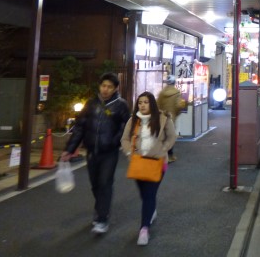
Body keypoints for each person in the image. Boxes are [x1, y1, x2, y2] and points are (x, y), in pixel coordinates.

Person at [60, 72, 130, 235]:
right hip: (92, 151)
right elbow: (79, 128)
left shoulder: (121, 105)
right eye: (103, 85)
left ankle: (102, 219)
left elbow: (126, 127)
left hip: (109, 152)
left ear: (115, 89)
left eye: (109, 87)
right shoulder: (91, 104)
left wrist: (114, 141)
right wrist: (69, 149)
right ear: (99, 86)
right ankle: (100, 210)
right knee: (95, 184)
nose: (105, 89)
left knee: (105, 183)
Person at [121, 91, 176, 246]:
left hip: (157, 162)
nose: (142, 105)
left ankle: (144, 229)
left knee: (149, 194)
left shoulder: (163, 118)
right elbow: (124, 139)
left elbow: (172, 136)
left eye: (146, 102)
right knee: (144, 194)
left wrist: (164, 148)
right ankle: (151, 210)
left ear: (152, 103)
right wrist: (128, 152)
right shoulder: (133, 120)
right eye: (140, 102)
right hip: (138, 163)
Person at [157, 75, 183, 163]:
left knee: (163, 135)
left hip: (162, 116)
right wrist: (177, 113)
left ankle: (162, 154)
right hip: (171, 117)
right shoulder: (177, 93)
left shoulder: (161, 93)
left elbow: (157, 105)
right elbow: (178, 106)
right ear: (174, 83)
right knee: (170, 135)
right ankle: (170, 156)